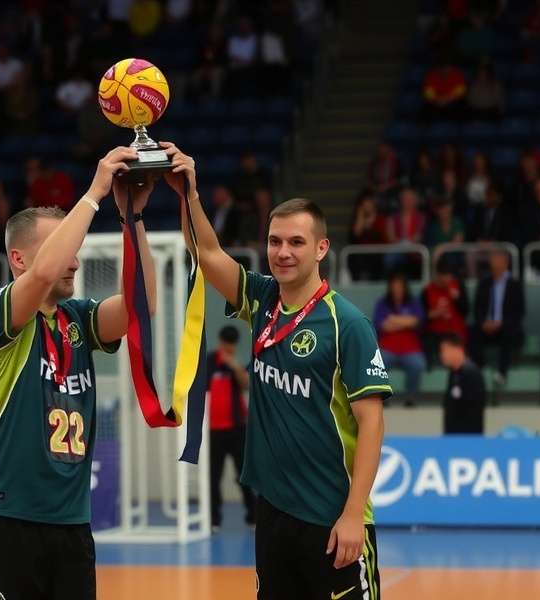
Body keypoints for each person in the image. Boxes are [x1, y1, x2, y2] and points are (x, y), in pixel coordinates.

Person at [175, 141, 389, 600]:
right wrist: (187, 193)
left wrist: (354, 515)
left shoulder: (347, 324)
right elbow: (206, 253)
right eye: (275, 241)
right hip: (273, 514)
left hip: (332, 517)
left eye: (296, 242)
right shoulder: (262, 300)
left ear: (321, 248)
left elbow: (372, 423)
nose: (283, 252)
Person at [0, 146, 158, 600]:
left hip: (70, 524)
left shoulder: (77, 318)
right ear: (19, 259)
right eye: (61, 247)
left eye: (74, 248)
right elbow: (44, 274)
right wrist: (95, 192)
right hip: (3, 518)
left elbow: (142, 306)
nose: (74, 260)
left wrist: (132, 218)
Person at [207, 325, 255, 532]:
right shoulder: (209, 363)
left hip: (237, 429)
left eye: (232, 345)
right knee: (213, 477)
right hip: (214, 431)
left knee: (243, 476)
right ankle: (214, 520)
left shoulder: (237, 366)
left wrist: (234, 366)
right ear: (221, 342)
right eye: (227, 344)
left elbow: (246, 385)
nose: (230, 348)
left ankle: (253, 516)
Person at [470, 250, 525, 385]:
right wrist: (483, 323)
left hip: (506, 325)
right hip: (486, 325)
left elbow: (519, 311)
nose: (495, 267)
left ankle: (502, 373)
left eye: (498, 264)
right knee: (472, 331)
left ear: (505, 265)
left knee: (509, 332)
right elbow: (477, 308)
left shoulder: (515, 284)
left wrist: (500, 323)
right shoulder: (484, 283)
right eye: (493, 264)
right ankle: (480, 368)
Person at [373, 273, 427, 400]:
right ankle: (382, 398)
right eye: (394, 286)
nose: (397, 289)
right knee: (377, 364)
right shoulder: (383, 303)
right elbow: (382, 326)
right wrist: (406, 322)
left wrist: (393, 319)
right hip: (387, 347)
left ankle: (411, 397)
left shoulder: (413, 302)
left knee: (418, 364)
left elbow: (417, 321)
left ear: (405, 287)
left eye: (400, 286)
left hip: (410, 348)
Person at [421, 258, 469, 366]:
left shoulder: (458, 287)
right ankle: (429, 368)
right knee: (426, 340)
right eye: (443, 276)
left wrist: (457, 299)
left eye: (448, 276)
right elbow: (422, 316)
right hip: (436, 332)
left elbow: (465, 311)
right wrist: (435, 314)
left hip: (455, 331)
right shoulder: (427, 291)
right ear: (437, 275)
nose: (446, 280)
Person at [439, 334, 486, 434]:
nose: (442, 355)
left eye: (444, 350)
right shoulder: (454, 373)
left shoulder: (471, 373)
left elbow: (473, 409)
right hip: (453, 435)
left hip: (467, 437)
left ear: (457, 349)